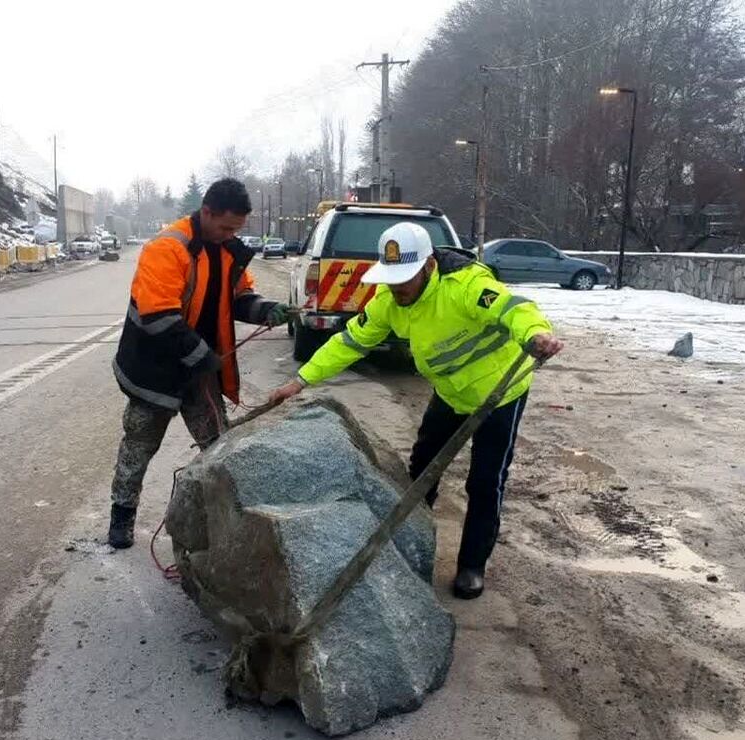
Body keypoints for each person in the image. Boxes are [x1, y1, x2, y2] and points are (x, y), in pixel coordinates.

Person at [269, 222, 563, 599]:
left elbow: (515, 310)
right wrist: (300, 381)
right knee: (422, 470)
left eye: (404, 279)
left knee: (485, 482)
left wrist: (535, 335)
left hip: (499, 395)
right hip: (450, 394)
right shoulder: (388, 302)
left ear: (427, 266)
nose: (397, 288)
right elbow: (349, 342)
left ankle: (472, 565)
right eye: (391, 280)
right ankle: (412, 543)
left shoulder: (466, 286)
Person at [108, 178, 291, 549]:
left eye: (236, 229)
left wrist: (266, 310)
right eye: (225, 227)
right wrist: (203, 357)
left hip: (198, 370)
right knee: (139, 444)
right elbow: (158, 317)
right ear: (206, 212)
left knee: (220, 445)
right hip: (155, 370)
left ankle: (231, 520)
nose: (230, 235)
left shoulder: (227, 251)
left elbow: (240, 297)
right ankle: (121, 518)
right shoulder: (167, 248)